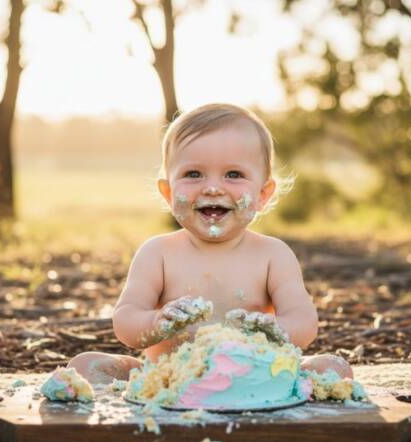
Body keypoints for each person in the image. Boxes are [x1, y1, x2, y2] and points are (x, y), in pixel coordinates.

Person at [67, 103, 352, 384]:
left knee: (333, 368)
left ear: (263, 194)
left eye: (233, 175)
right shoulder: (157, 253)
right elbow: (126, 321)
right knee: (84, 366)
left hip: (254, 376)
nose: (213, 188)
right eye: (193, 174)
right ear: (168, 192)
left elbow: (304, 322)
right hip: (169, 379)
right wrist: (156, 322)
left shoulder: (273, 255)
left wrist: (274, 329)